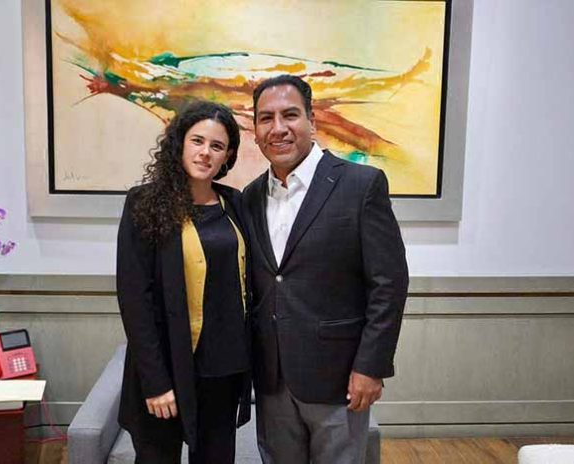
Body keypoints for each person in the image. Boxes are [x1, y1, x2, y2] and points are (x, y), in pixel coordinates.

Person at [243, 75, 409, 464]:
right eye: (266, 118)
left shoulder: (361, 184)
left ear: (312, 121)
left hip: (339, 379)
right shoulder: (250, 196)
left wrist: (371, 367)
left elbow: (388, 283)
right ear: (255, 130)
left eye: (290, 115)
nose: (278, 128)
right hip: (271, 379)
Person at [116, 101, 251, 464]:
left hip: (223, 370)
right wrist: (156, 382)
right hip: (167, 368)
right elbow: (135, 300)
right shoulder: (144, 203)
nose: (206, 152)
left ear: (227, 156)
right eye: (197, 141)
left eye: (217, 146)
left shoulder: (236, 204)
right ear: (179, 143)